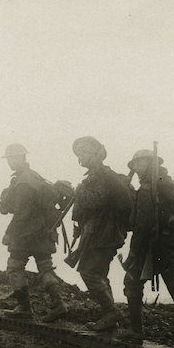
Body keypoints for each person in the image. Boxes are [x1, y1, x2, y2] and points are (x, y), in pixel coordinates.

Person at [118, 149, 174, 348]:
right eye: (135, 165)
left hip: (159, 248)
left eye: (140, 164)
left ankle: (136, 331)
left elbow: (141, 226)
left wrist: (133, 254)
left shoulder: (149, 189)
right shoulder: (169, 185)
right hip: (172, 246)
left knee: (132, 283)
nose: (137, 169)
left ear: (150, 164)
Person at [0, 144, 73, 321]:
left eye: (12, 158)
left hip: (25, 233)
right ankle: (58, 303)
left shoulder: (23, 181)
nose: (9, 162)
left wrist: (9, 233)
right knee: (46, 267)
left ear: (21, 158)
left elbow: (22, 212)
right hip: (43, 232)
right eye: (8, 158)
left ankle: (24, 307)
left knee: (14, 267)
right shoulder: (36, 177)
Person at [67, 136, 133, 330]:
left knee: (88, 272)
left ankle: (111, 312)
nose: (81, 156)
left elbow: (98, 202)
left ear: (97, 153)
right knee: (100, 274)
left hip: (103, 235)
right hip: (98, 234)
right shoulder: (95, 176)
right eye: (79, 153)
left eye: (85, 152)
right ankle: (110, 317)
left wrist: (79, 192)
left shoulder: (104, 176)